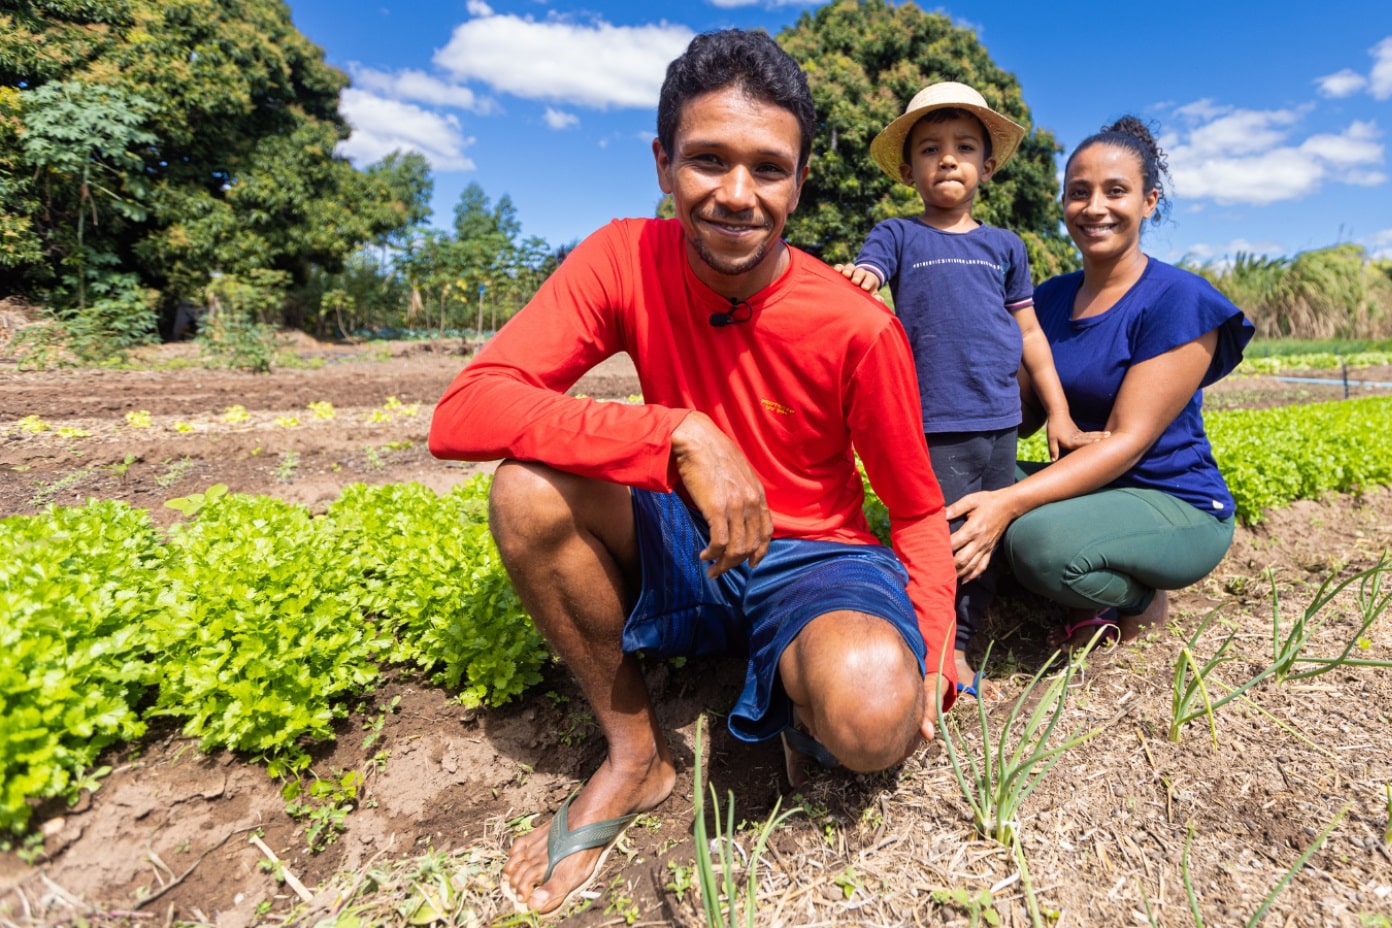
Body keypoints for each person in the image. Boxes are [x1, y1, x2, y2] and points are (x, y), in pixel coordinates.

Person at [426, 30, 957, 916]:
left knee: (868, 714)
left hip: (818, 555)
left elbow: (914, 508)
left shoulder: (857, 327)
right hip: (689, 538)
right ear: (664, 162)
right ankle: (638, 757)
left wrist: (933, 643)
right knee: (526, 488)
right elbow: (467, 409)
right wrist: (676, 433)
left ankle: (806, 699)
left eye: (769, 168)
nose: (738, 196)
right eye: (708, 160)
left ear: (801, 180)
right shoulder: (622, 258)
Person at [945, 116, 1254, 649]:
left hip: (1168, 496)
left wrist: (1008, 502)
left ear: (1149, 201)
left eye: (1116, 191)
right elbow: (1021, 416)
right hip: (1084, 487)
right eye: (1079, 193)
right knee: (950, 492)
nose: (1094, 208)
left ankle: (1137, 597)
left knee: (1039, 546)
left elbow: (1126, 443)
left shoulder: (1178, 300)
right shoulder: (1050, 297)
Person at [835, 82, 1078, 695]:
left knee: (983, 542)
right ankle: (933, 646)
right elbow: (868, 269)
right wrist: (861, 276)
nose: (948, 158)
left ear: (986, 167)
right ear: (908, 169)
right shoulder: (897, 235)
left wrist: (1059, 412)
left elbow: (1030, 334)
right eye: (931, 149)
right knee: (935, 540)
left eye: (965, 147)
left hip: (998, 420)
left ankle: (961, 641)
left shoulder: (1006, 247)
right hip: (932, 422)